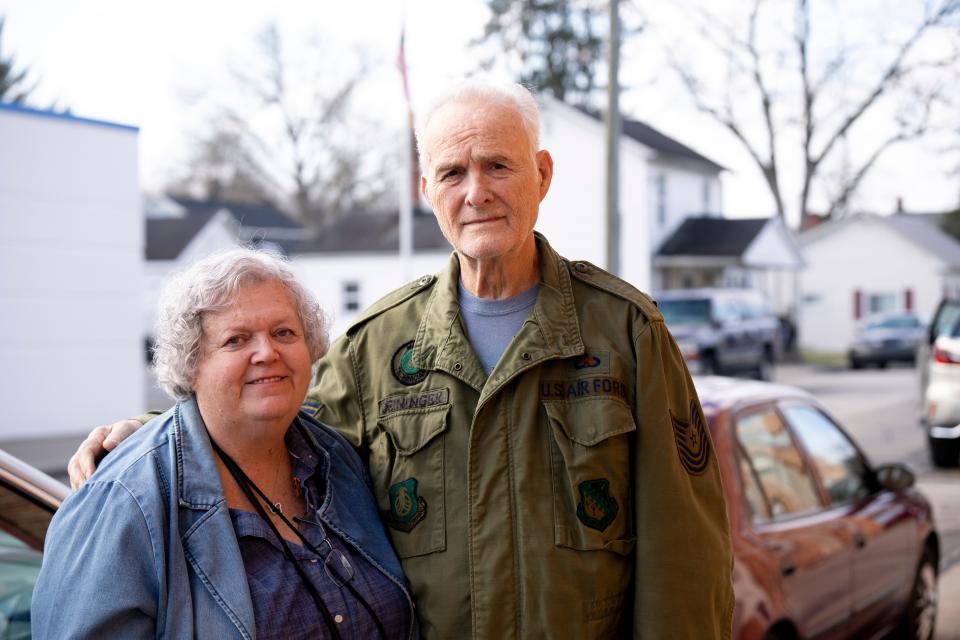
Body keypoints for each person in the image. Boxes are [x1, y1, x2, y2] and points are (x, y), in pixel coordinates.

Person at [70, 80, 734, 638]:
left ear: (542, 173)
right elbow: (266, 419)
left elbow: (685, 558)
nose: (476, 191)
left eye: (498, 165)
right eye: (453, 172)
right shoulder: (381, 346)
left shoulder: (625, 332)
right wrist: (149, 432)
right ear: (426, 190)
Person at [37, 249, 416, 639]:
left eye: (283, 332)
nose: (267, 353)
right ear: (190, 364)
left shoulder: (337, 459)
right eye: (237, 340)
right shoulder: (121, 501)